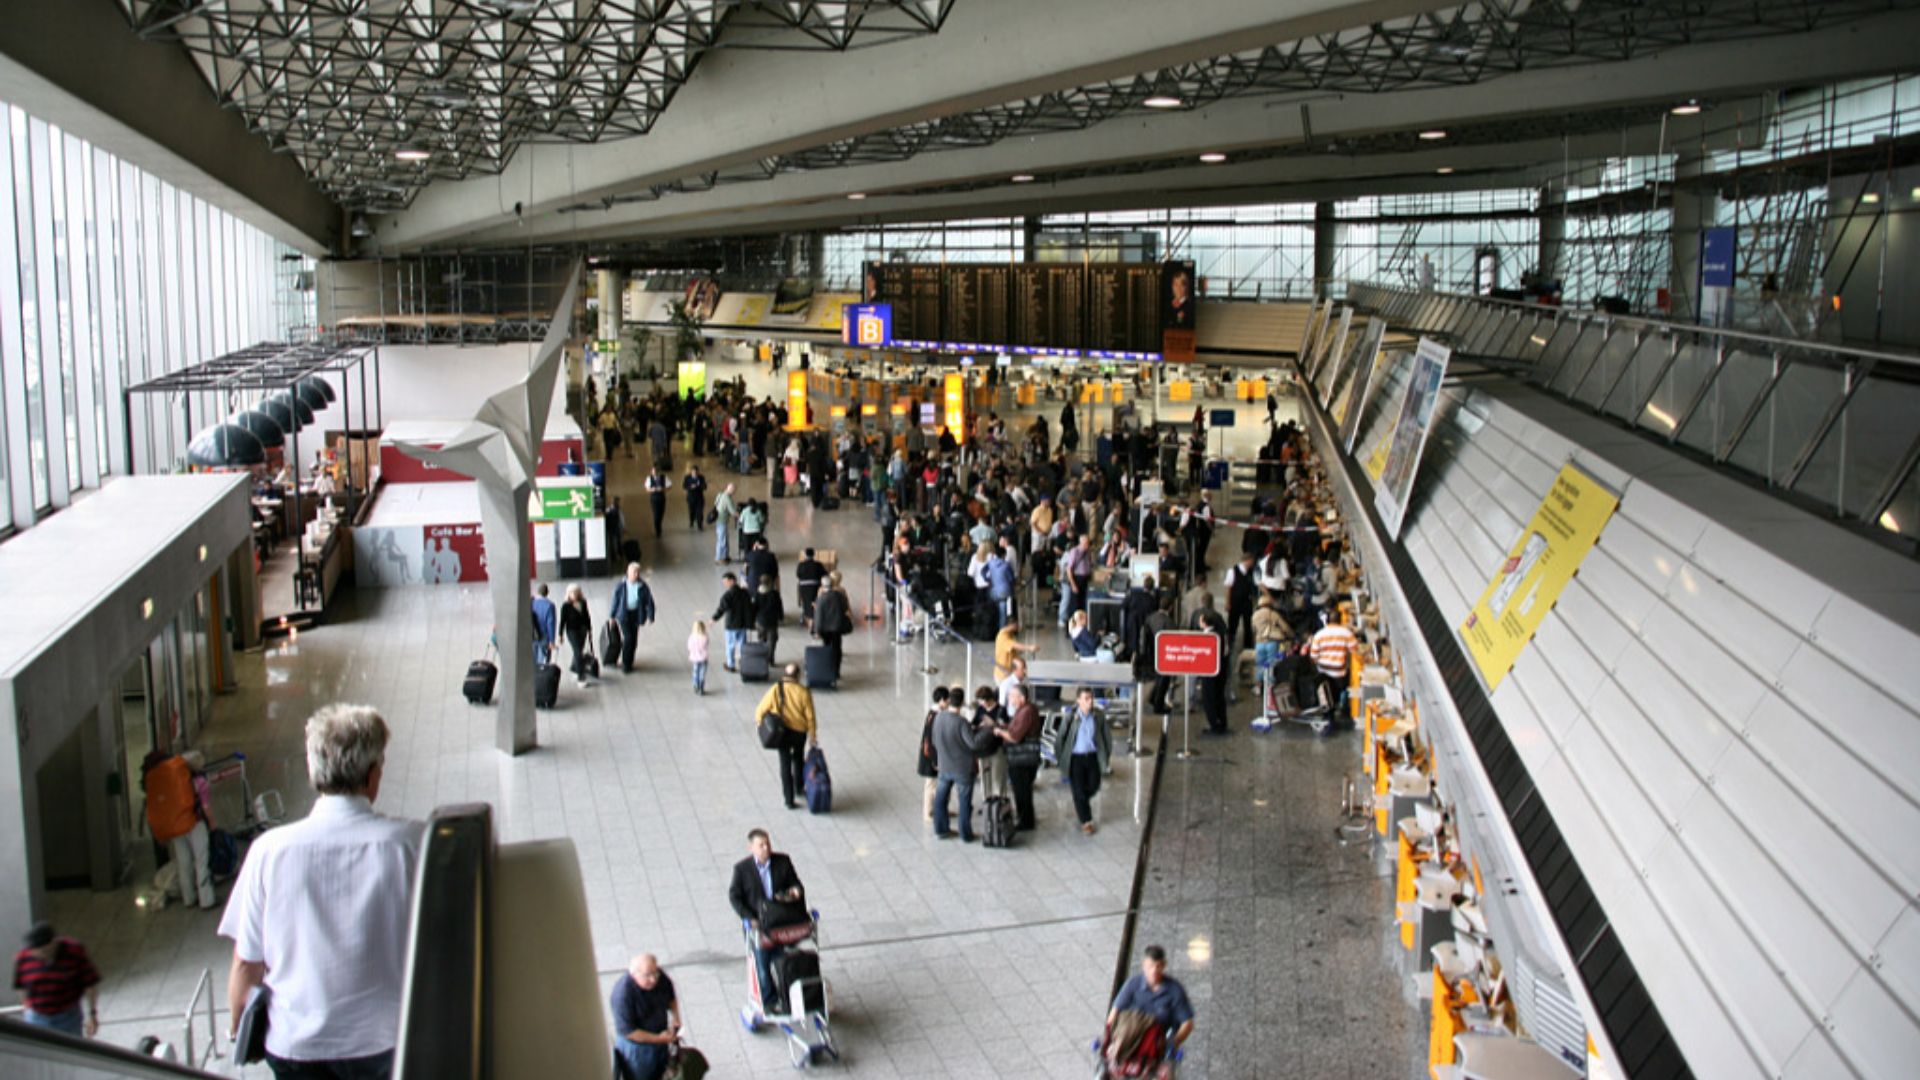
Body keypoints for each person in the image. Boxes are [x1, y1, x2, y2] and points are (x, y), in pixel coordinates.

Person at [221, 705, 424, 1078]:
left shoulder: (270, 850)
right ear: (372, 775)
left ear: (313, 771)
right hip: (386, 1040)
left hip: (295, 1044)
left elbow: (245, 962)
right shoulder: (411, 844)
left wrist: (238, 1027)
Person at [728, 829, 806, 1015]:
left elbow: (796, 883)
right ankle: (769, 1000)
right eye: (761, 845)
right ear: (751, 847)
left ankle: (788, 994)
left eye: (767, 844)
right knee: (762, 964)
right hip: (760, 925)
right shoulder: (742, 870)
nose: (766, 848)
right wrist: (749, 917)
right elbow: (734, 897)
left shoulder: (782, 862)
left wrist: (795, 891)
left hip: (781, 921)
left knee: (785, 960)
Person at [141, 750, 216, 910]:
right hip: (195, 823)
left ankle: (188, 899)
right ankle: (206, 900)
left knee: (183, 863)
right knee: (201, 860)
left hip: (176, 825)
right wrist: (212, 824)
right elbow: (205, 806)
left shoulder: (169, 782)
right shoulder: (198, 781)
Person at [1106, 944, 1196, 1072]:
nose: (1154, 971)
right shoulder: (1133, 984)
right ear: (1144, 966)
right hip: (1130, 1034)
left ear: (1164, 966)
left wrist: (1171, 1043)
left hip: (1156, 1039)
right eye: (1150, 966)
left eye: (1158, 966)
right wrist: (1110, 1036)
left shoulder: (1174, 990)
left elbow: (1187, 1023)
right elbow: (1115, 1011)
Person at [930, 685, 997, 842]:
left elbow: (934, 739)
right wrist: (988, 730)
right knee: (964, 802)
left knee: (940, 799)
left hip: (944, 766)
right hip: (962, 769)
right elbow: (973, 743)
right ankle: (965, 834)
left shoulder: (939, 717)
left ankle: (940, 829)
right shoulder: (961, 722)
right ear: (961, 703)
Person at [12, 922, 101, 1037]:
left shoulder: (74, 951)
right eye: (33, 951)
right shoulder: (23, 958)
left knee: (71, 1049)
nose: (36, 954)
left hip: (68, 1017)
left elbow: (90, 984)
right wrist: (27, 1008)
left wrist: (92, 1014)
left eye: (41, 951)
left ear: (52, 943)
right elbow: (21, 987)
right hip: (37, 1017)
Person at [753, 664, 817, 810]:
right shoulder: (803, 692)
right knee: (799, 758)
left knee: (785, 764)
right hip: (799, 733)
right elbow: (810, 717)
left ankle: (789, 799)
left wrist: (759, 724)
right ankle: (799, 786)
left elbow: (760, 709)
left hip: (782, 733)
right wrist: (812, 735)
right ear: (798, 676)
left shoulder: (776, 689)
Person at [609, 953, 681, 1080]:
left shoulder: (660, 977)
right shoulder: (623, 995)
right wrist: (659, 1039)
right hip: (637, 1050)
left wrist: (676, 1017)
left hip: (660, 1039)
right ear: (634, 974)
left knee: (662, 1071)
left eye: (655, 973)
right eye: (647, 975)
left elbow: (671, 997)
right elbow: (629, 1032)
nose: (653, 979)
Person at [1052, 688, 1111, 835]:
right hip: (1076, 758)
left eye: (1091, 698)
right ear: (1078, 700)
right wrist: (1061, 758)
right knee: (1078, 790)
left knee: (1093, 785)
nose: (1089, 701)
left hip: (1092, 756)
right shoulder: (1071, 717)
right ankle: (1086, 821)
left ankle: (1082, 800)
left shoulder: (1098, 716)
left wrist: (1106, 755)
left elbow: (1106, 737)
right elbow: (1060, 738)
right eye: (1086, 698)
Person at [997, 684, 1043, 831]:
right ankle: (1026, 818)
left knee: (1022, 791)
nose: (1009, 698)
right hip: (1023, 759)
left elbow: (1015, 737)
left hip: (1022, 760)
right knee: (1022, 791)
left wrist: (999, 731)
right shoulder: (1023, 710)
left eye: (1012, 696)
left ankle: (1026, 822)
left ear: (1022, 698)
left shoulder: (1026, 711)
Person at [1309, 611, 1360, 727]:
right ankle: (1343, 706)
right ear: (1340, 620)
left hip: (1323, 671)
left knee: (1326, 691)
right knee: (1345, 686)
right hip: (1339, 672)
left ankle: (1328, 713)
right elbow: (1355, 650)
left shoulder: (1319, 634)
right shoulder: (1346, 633)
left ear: (1327, 621)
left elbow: (1314, 656)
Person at [608, 563, 657, 674]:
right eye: (633, 572)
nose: (636, 575)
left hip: (636, 614)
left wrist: (650, 615)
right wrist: (612, 616)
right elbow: (615, 601)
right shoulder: (621, 585)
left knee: (634, 639)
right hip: (624, 614)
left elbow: (649, 601)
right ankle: (625, 663)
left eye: (637, 572)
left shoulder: (642, 586)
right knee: (628, 637)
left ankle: (630, 661)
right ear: (628, 573)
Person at [811, 571, 851, 681]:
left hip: (825, 629)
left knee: (827, 648)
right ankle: (837, 670)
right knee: (837, 649)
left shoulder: (821, 599)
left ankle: (828, 669)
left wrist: (816, 630)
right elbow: (845, 608)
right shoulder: (839, 596)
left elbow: (818, 616)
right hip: (837, 627)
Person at [713, 572, 754, 672]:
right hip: (742, 624)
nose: (725, 584)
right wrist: (750, 623)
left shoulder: (727, 596)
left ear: (732, 581)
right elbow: (749, 608)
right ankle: (743, 663)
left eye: (726, 582)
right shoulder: (745, 593)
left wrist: (714, 619)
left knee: (730, 645)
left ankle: (730, 665)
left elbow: (721, 609)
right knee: (742, 645)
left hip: (731, 625)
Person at [561, 584, 595, 687]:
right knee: (578, 652)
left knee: (578, 651)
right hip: (572, 631)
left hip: (582, 630)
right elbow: (563, 621)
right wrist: (560, 634)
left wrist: (589, 628)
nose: (574, 595)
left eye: (576, 592)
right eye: (572, 593)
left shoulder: (583, 602)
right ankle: (581, 676)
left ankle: (574, 668)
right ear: (568, 594)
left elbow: (586, 616)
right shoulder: (566, 606)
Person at [794, 548, 826, 631]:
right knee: (814, 602)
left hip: (803, 587)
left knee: (805, 602)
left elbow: (798, 574)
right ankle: (814, 619)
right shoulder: (818, 564)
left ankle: (806, 618)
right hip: (815, 586)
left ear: (805, 555)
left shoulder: (801, 564)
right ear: (814, 555)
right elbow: (824, 574)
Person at [755, 579, 785, 665]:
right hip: (772, 622)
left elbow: (754, 607)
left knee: (761, 640)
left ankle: (762, 658)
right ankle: (770, 659)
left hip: (760, 621)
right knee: (772, 641)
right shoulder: (774, 594)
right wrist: (781, 617)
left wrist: (752, 619)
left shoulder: (757, 594)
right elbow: (779, 606)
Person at [531, 583, 557, 668]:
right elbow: (550, 624)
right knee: (543, 661)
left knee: (533, 658)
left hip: (533, 634)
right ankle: (541, 676)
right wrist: (552, 641)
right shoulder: (550, 605)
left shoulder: (532, 603)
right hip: (544, 635)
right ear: (547, 593)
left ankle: (534, 676)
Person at [644, 466, 671, 540]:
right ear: (651, 472)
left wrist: (663, 489)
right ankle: (658, 530)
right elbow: (647, 489)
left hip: (662, 497)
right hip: (654, 498)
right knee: (656, 514)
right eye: (653, 471)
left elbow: (669, 486)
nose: (655, 472)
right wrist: (652, 490)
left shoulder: (664, 477)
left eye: (656, 471)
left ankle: (659, 524)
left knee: (661, 513)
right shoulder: (649, 478)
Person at [688, 619, 710, 695]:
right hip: (703, 657)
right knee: (702, 672)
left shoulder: (692, 637)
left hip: (695, 657)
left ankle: (695, 685)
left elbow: (689, 646)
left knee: (695, 671)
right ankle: (701, 687)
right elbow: (706, 645)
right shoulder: (705, 637)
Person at [683, 465, 708, 531]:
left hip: (699, 498)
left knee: (699, 512)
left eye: (696, 472)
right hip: (691, 498)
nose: (695, 473)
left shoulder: (701, 477)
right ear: (691, 472)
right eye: (693, 472)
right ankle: (691, 521)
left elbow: (705, 487)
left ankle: (700, 525)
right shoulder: (687, 478)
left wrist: (699, 486)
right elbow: (684, 486)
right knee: (692, 511)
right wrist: (690, 487)